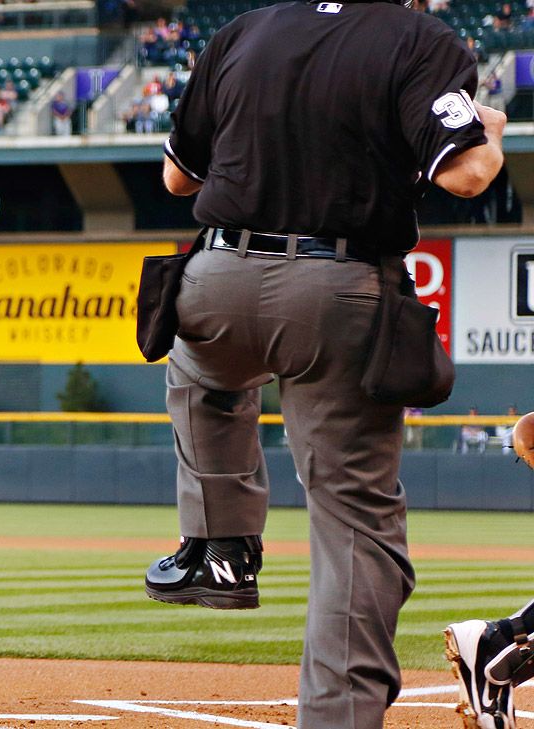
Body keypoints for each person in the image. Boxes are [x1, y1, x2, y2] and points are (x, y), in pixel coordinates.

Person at [143, 0, 506, 727]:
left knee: (199, 370)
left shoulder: (244, 29)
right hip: (336, 289)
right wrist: (490, 136)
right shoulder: (416, 37)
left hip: (216, 276)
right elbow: (466, 175)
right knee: (354, 523)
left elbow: (177, 182)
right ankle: (337, 716)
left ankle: (221, 545)